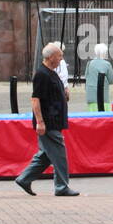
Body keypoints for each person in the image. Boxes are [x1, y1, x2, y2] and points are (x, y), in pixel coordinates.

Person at [16, 42, 79, 197]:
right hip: (48, 122)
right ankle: (61, 186)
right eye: (59, 56)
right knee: (59, 155)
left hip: (53, 120)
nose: (61, 59)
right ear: (51, 57)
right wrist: (40, 122)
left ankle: (24, 178)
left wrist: (64, 94)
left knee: (45, 155)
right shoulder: (42, 74)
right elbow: (35, 99)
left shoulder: (51, 72)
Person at [85, 43, 113, 111]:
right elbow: (111, 80)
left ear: (95, 52)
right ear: (105, 53)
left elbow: (86, 77)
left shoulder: (89, 63)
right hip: (103, 96)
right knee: (104, 118)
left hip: (91, 95)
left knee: (92, 118)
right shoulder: (107, 64)